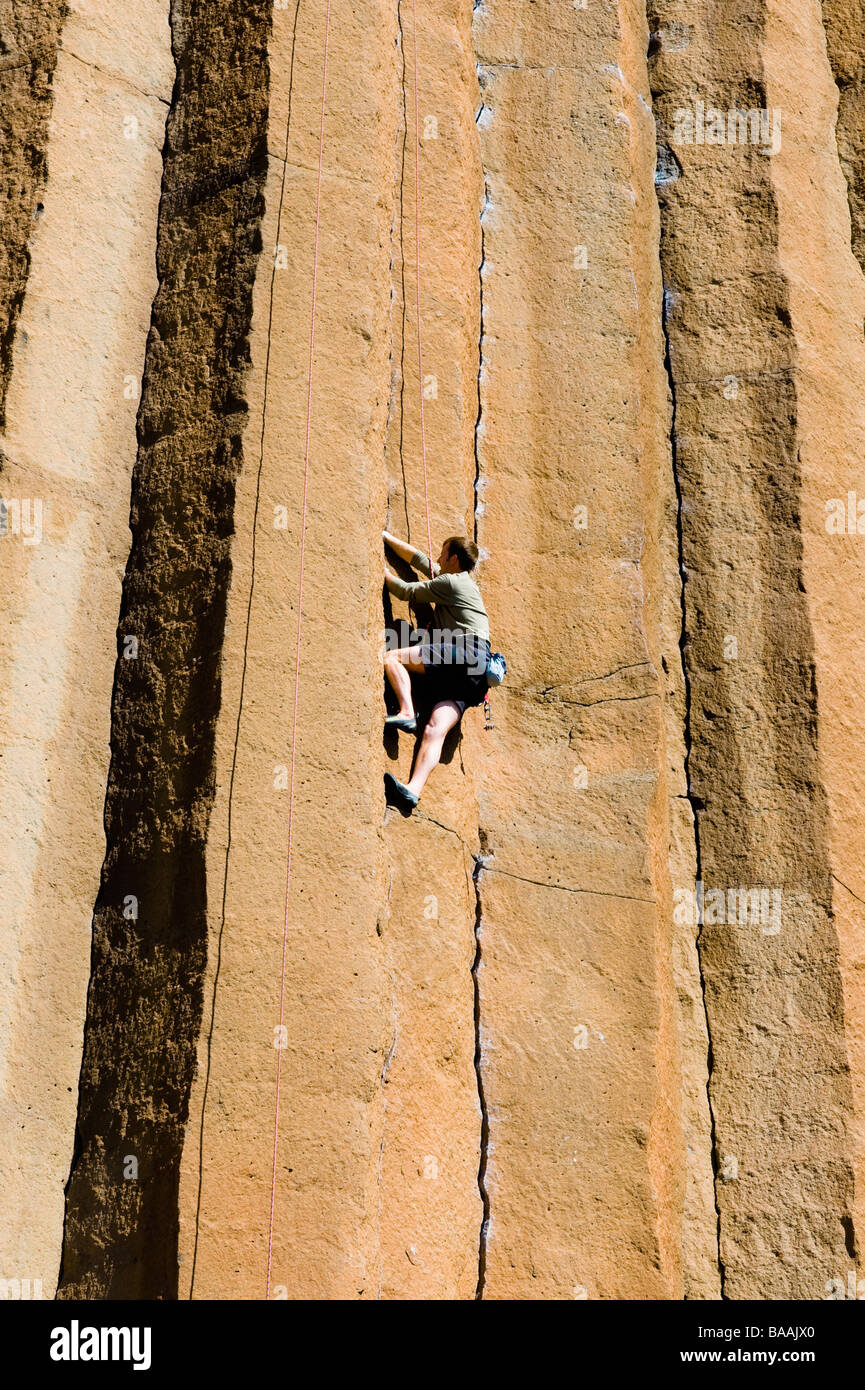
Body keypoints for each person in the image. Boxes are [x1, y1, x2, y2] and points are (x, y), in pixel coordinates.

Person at [382, 529, 491, 811]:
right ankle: (412, 791)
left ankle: (406, 712)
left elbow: (405, 591)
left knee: (392, 657)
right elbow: (419, 560)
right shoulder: (460, 582)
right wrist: (385, 536)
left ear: (453, 559)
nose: (438, 560)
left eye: (442, 555)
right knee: (434, 729)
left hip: (464, 652)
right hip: (475, 674)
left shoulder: (452, 583)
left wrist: (375, 563)